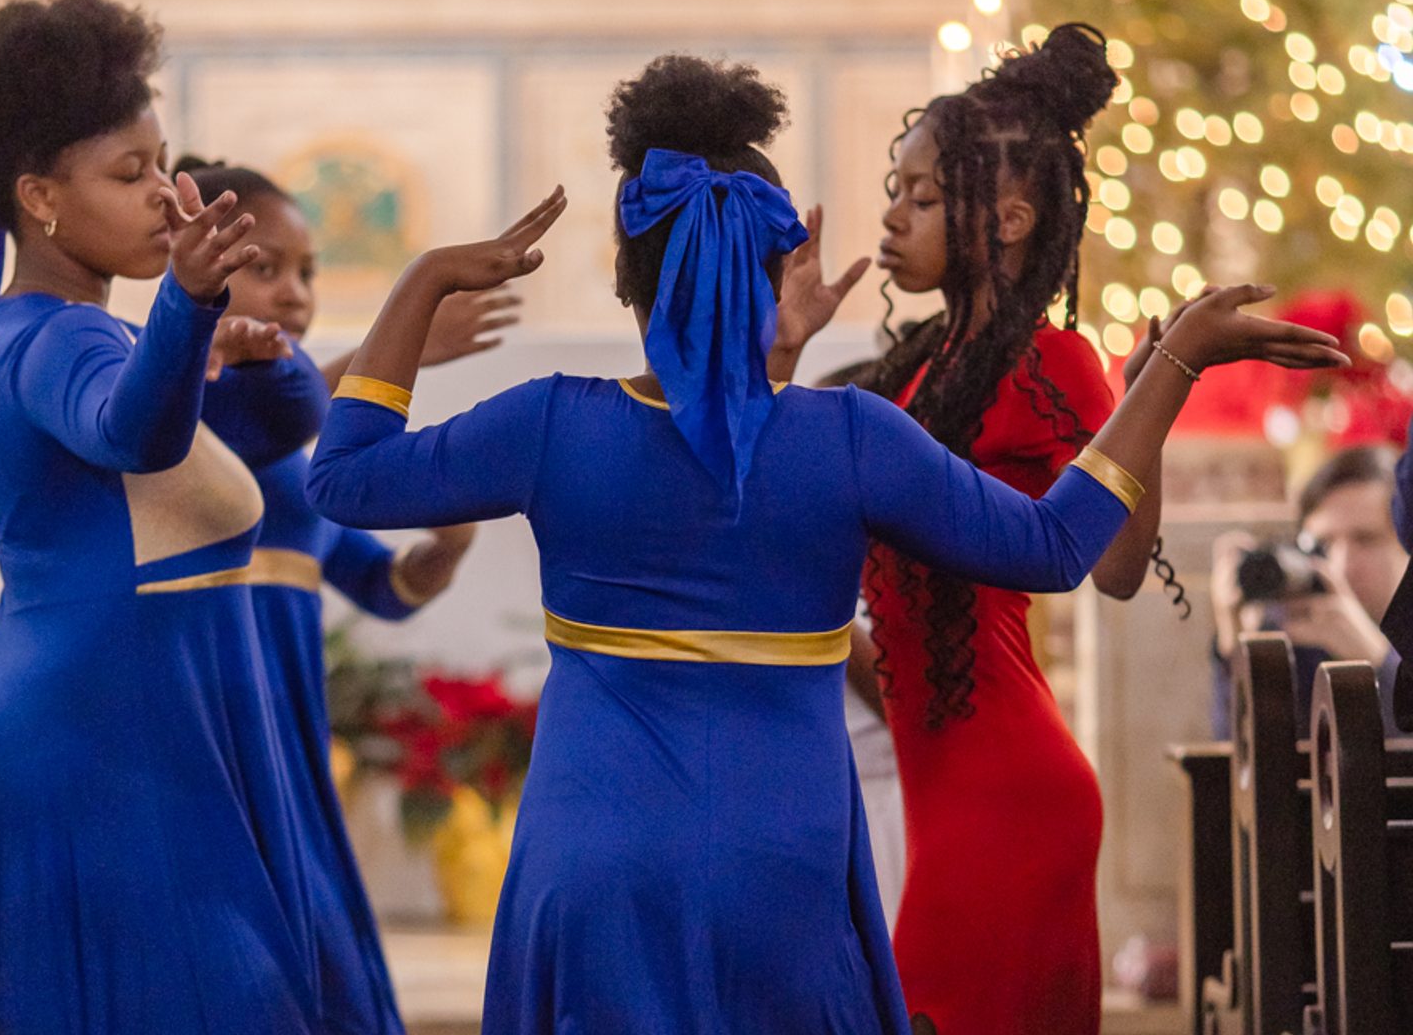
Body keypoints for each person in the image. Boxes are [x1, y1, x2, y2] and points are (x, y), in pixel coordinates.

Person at [302, 53, 1343, 1035]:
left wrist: (427, 278)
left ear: (628, 275)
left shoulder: (547, 423)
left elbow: (342, 476)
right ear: (777, 266)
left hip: (594, 862)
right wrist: (1170, 363)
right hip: (783, 867)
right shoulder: (848, 438)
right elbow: (1057, 545)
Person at [0, 0, 323, 1035]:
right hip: (84, 744)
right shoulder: (57, 337)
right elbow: (131, 434)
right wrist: (185, 305)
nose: (165, 198)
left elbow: (268, 435)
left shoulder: (94, 334)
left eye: (162, 164)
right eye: (131, 175)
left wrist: (222, 342)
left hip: (111, 727)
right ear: (40, 198)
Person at [768, 24, 1170, 1035]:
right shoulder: (904, 372)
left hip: (1011, 798)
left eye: (922, 195)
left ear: (1009, 217)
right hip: (936, 794)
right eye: (894, 190)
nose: (891, 215)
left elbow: (1117, 569)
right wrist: (781, 349)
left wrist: (1154, 397)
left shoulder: (1057, 363)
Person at [177, 155, 516, 1035]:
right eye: (266, 267)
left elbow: (383, 587)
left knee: (315, 969)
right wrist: (390, 347)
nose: (293, 293)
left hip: (284, 732)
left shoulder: (297, 460)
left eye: (307, 272)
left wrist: (443, 547)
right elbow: (244, 424)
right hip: (196, 725)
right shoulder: (173, 401)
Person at [1211, 444, 1409, 739]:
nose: (1341, 564)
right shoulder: (1291, 632)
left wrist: (1379, 660)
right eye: (1323, 543)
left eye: (1365, 540)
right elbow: (1245, 769)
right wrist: (1237, 651)